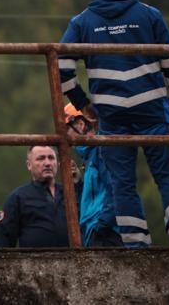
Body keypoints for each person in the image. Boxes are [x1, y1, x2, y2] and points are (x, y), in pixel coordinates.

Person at [58, 0, 169, 247]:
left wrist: (83, 104)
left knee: (122, 184)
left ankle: (137, 246)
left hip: (112, 116)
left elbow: (61, 66)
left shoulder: (82, 22)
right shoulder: (150, 16)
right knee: (168, 178)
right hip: (153, 112)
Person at [64, 103, 122, 247]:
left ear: (80, 124)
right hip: (96, 232)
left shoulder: (100, 151)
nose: (64, 137)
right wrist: (78, 183)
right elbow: (97, 195)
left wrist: (101, 226)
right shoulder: (91, 155)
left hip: (106, 234)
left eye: (66, 129)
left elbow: (116, 189)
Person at [0, 145, 69, 248]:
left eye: (51, 158)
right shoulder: (18, 197)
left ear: (58, 163)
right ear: (29, 165)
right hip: (34, 262)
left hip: (72, 260)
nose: (47, 163)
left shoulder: (71, 193)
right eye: (41, 158)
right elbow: (3, 241)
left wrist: (78, 184)